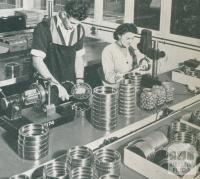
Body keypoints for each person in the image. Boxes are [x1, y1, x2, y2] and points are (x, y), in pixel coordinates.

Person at [31, 0, 89, 101]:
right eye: (72, 22)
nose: (73, 27)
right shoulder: (44, 28)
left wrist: (80, 81)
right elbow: (37, 61)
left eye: (77, 24)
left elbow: (78, 57)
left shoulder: (79, 29)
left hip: (69, 84)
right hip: (48, 84)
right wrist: (56, 85)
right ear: (63, 14)